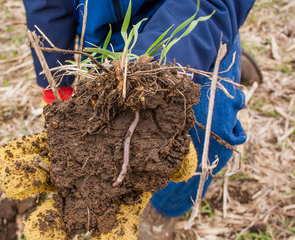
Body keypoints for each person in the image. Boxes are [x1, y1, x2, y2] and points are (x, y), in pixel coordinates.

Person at [23, 0, 258, 238]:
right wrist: (56, 82)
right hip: (100, 31)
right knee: (105, 119)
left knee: (211, 123)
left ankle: (163, 210)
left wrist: (150, 78)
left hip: (193, 19)